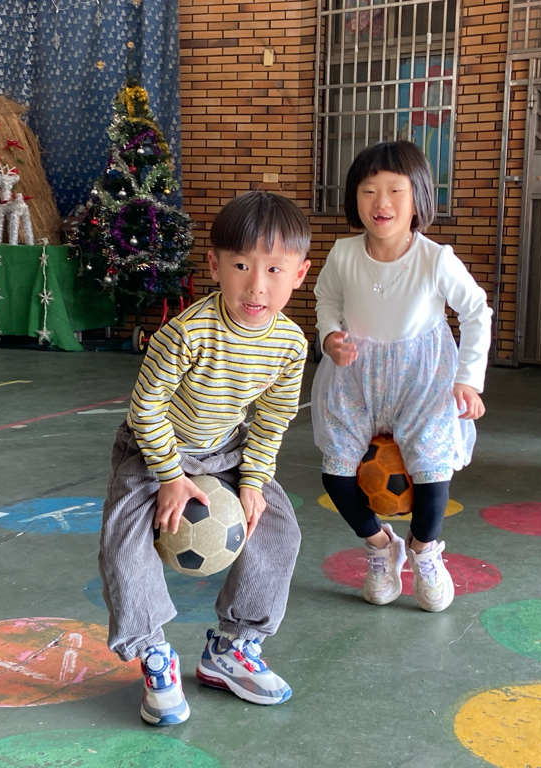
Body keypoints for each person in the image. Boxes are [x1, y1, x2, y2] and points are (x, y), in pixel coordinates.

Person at [98, 190, 312, 726]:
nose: (256, 285)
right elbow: (145, 408)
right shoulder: (186, 333)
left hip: (225, 450)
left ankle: (232, 647)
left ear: (300, 273)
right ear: (215, 266)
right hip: (155, 449)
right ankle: (153, 655)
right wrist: (170, 477)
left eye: (274, 269)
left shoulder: (290, 345)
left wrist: (253, 482)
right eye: (241, 266)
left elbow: (272, 418)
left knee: (278, 527)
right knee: (124, 542)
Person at [312, 140, 492, 612]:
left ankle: (424, 551)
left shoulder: (435, 258)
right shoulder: (343, 254)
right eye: (368, 190)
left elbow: (476, 311)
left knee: (432, 474)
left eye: (395, 190)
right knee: (336, 474)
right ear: (355, 198)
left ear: (418, 199)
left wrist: (468, 379)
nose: (382, 202)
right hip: (355, 378)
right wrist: (330, 336)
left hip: (423, 379)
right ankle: (380, 546)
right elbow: (326, 299)